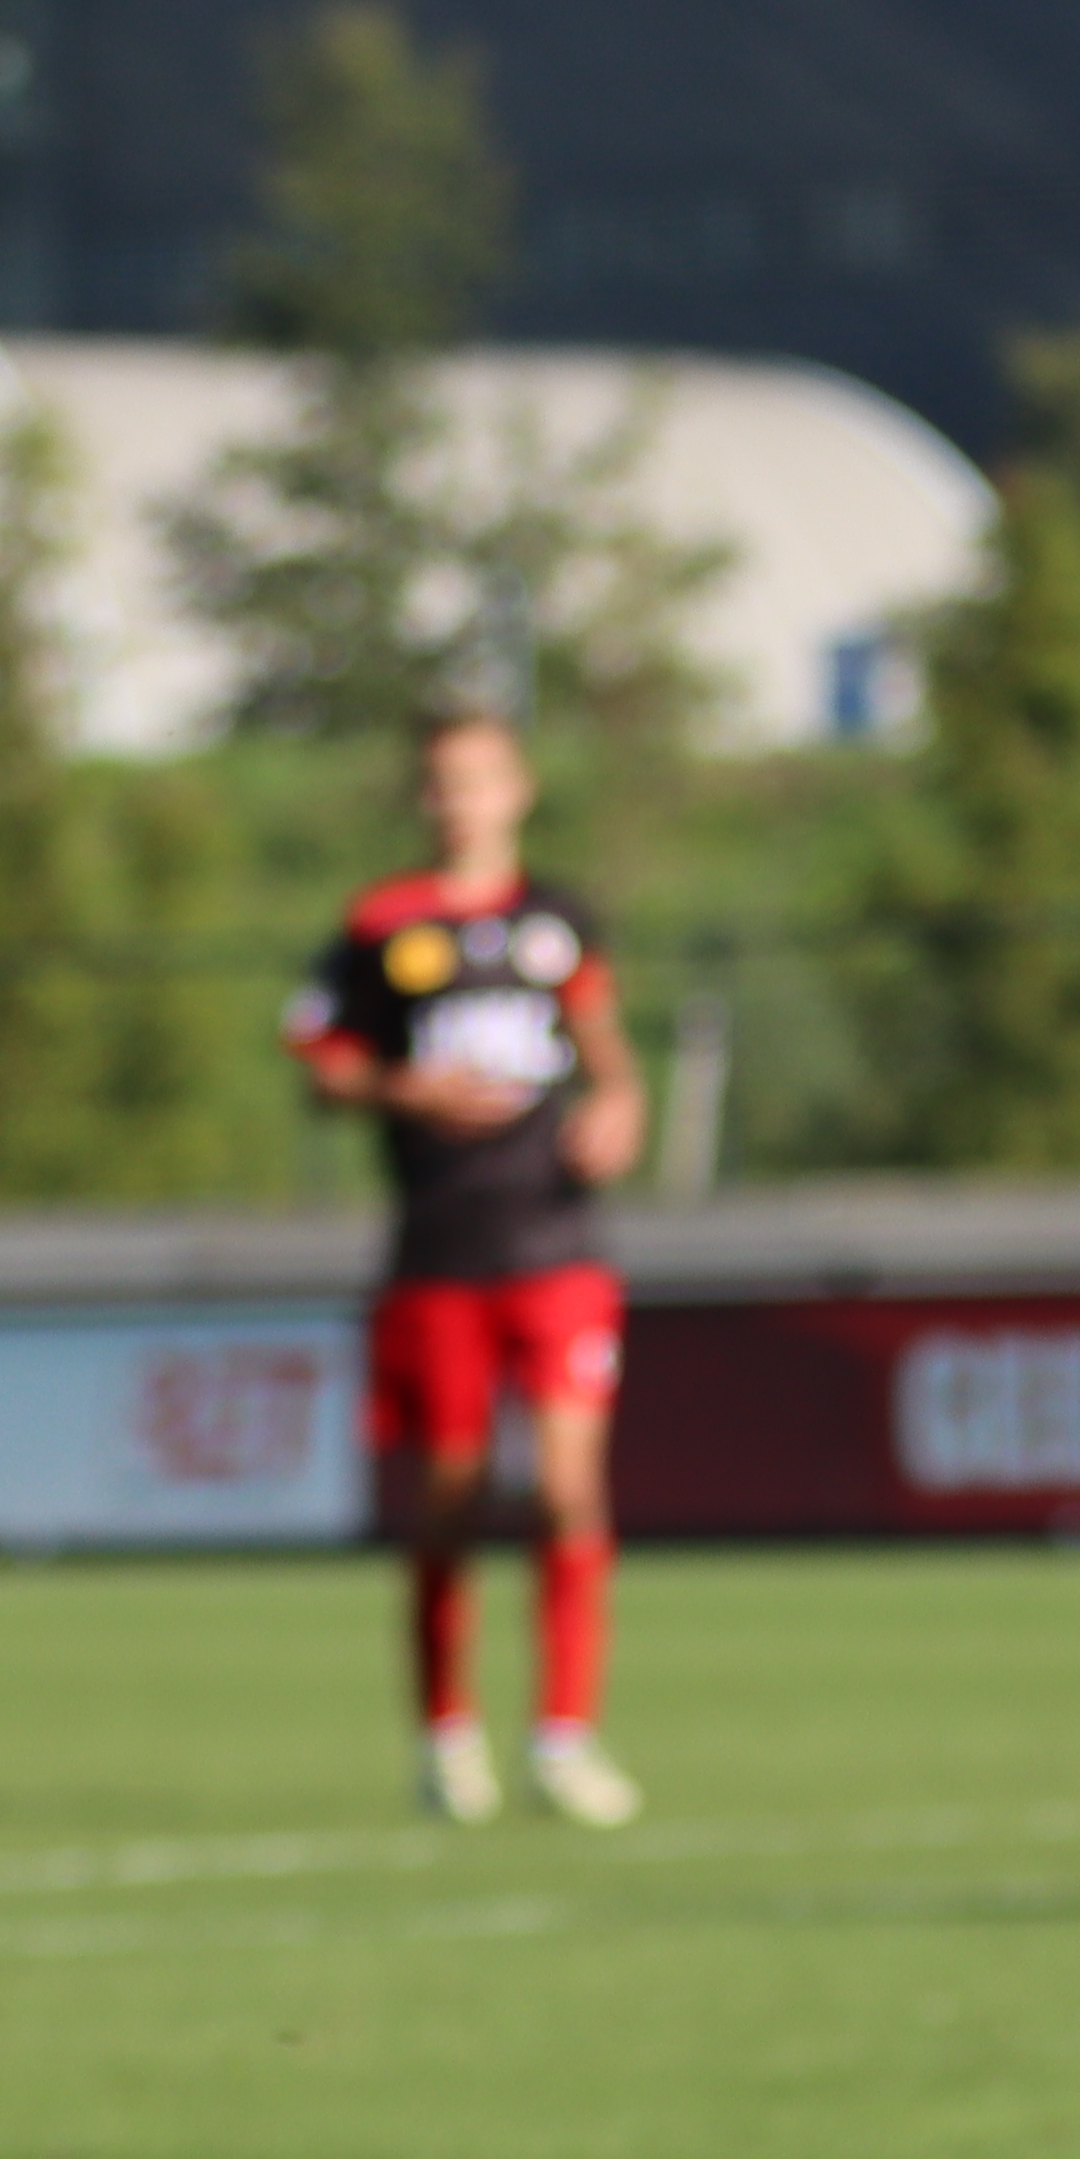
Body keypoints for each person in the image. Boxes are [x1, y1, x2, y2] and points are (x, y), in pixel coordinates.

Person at [288, 711, 653, 1826]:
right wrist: (408, 1090)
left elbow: (605, 1049)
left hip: (556, 1241)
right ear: (424, 798)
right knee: (447, 1501)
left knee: (566, 1488)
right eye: (442, 783)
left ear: (518, 790)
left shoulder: (558, 918)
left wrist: (622, 1104)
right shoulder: (384, 923)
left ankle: (563, 1737)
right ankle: (447, 1737)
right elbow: (318, 1057)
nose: (461, 801)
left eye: (479, 780)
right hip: (440, 1249)